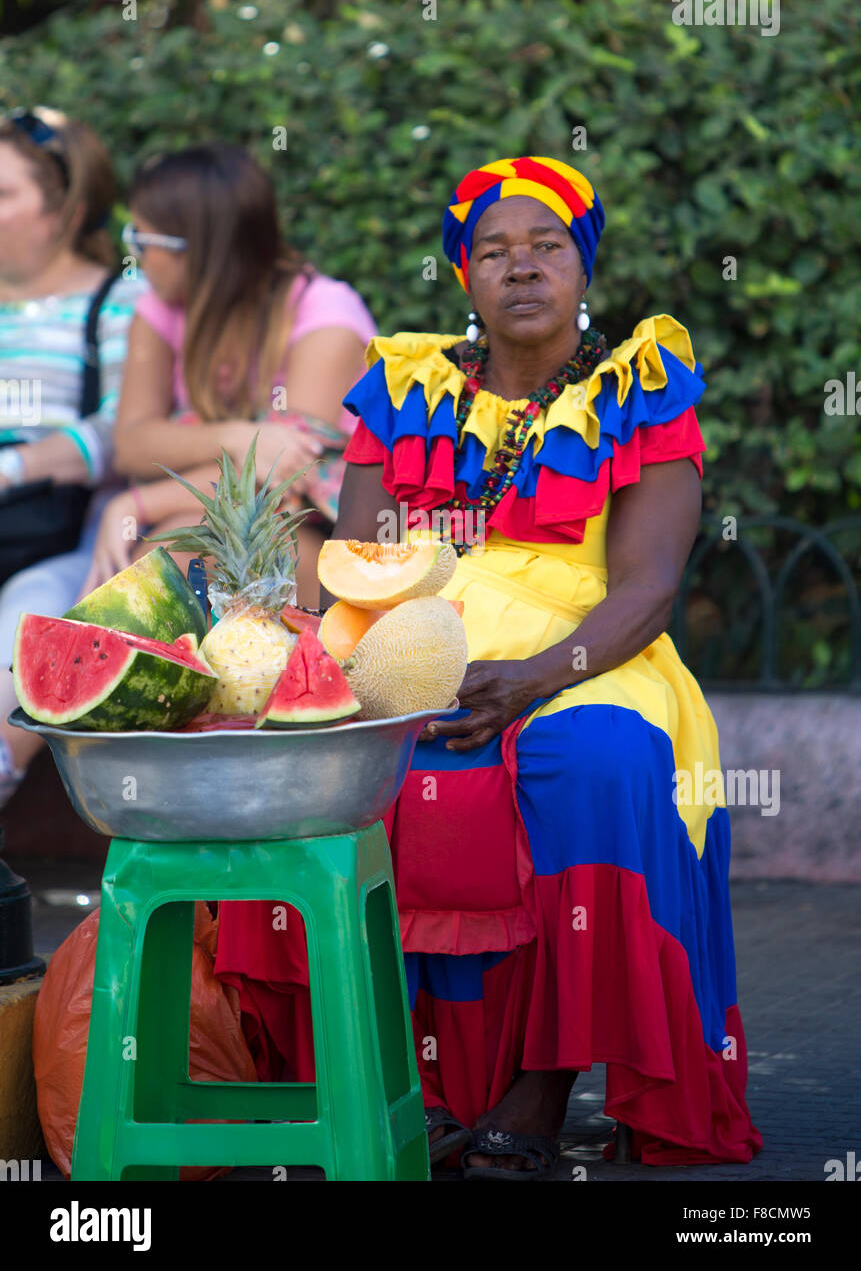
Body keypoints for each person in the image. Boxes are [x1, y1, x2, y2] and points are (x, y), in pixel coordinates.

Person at [213, 154, 763, 1177]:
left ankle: (541, 1089)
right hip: (416, 651)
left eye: (547, 246)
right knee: (338, 769)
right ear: (462, 274)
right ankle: (383, 1079)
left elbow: (646, 589)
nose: (522, 268)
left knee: (591, 761)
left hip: (591, 655)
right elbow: (362, 569)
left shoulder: (637, 389)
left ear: (582, 268)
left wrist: (533, 676)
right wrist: (360, 670)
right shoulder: (405, 389)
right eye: (495, 251)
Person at [81, 143, 377, 607]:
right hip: (207, 514)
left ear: (200, 252)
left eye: (142, 239)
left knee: (180, 556)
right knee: (162, 561)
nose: (134, 254)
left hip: (328, 542)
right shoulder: (161, 309)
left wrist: (137, 504)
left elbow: (287, 480)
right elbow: (133, 444)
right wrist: (240, 437)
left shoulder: (325, 316)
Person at [0, 108, 144, 806]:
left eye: (4, 194)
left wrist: (15, 467)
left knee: (26, 633)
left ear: (66, 209)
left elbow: (124, 427)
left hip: (55, 531)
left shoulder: (116, 301)